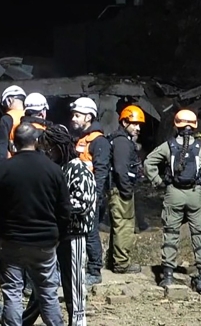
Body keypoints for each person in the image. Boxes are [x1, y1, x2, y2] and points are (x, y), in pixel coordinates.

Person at [0, 121, 72, 326]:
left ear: (13, 144)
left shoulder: (0, 170)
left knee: (13, 293)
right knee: (48, 292)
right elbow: (64, 210)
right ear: (37, 142)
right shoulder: (53, 169)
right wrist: (58, 235)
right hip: (44, 242)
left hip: (11, 242)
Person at [143, 109, 201, 293]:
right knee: (199, 234)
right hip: (195, 193)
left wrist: (158, 181)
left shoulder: (168, 146)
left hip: (173, 193)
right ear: (195, 126)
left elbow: (149, 163)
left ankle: (168, 275)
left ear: (176, 125)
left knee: (171, 233)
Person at [22, 117, 94, 326]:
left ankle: (77, 322)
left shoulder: (78, 168)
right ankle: (24, 321)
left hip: (74, 235)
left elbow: (83, 204)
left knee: (74, 285)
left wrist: (51, 207)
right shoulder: (60, 169)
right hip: (56, 234)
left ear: (60, 147)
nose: (47, 153)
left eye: (50, 149)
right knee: (43, 283)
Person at [69, 97, 109, 285]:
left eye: (77, 115)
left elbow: (101, 171)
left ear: (89, 117)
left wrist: (97, 195)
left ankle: (95, 270)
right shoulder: (81, 139)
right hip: (78, 194)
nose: (74, 119)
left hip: (91, 195)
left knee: (91, 232)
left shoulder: (99, 142)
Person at [109, 105, 145, 274]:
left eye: (139, 125)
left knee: (120, 226)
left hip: (119, 189)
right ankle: (122, 264)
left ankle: (117, 260)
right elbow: (120, 169)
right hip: (120, 191)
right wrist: (126, 191)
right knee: (124, 226)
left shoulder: (121, 140)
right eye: (134, 124)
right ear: (124, 122)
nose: (138, 128)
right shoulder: (122, 142)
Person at [0, 85, 26, 168]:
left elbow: (1, 146)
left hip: (14, 165)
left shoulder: (7, 118)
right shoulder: (31, 117)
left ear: (9, 101)